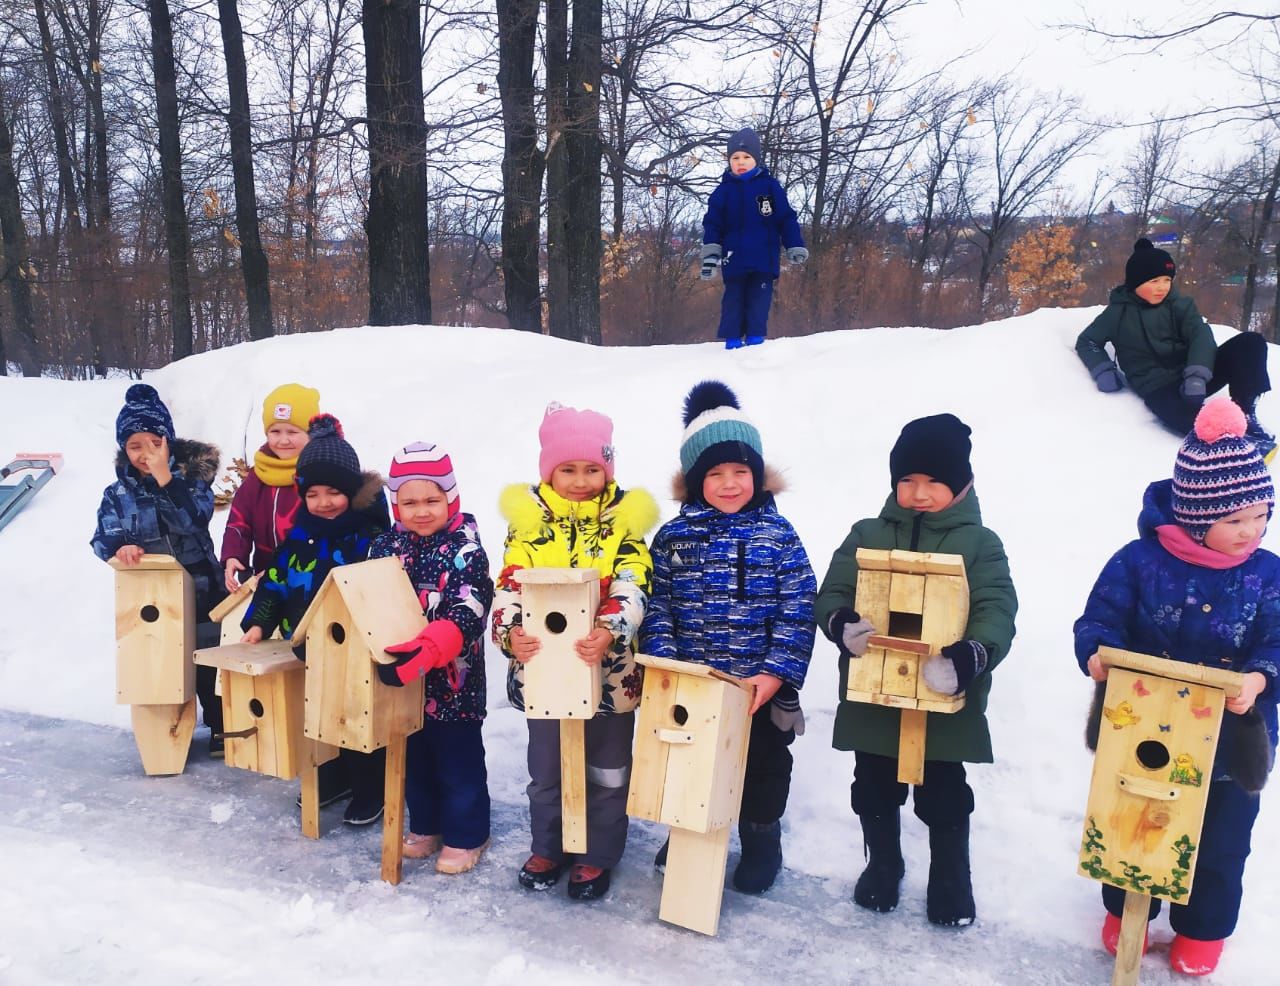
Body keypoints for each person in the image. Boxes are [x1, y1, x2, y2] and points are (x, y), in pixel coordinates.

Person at [1073, 398, 1278, 977]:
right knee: (1133, 821)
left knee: (1220, 839)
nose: (1252, 531)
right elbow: (1099, 619)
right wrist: (1097, 655)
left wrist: (1261, 678)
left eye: (1261, 515)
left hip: (1233, 739)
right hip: (1144, 725)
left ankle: (1203, 929)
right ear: (1195, 514)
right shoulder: (1139, 563)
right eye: (1235, 520)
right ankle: (1127, 910)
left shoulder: (1268, 575)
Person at [814, 413, 1018, 927]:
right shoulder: (867, 533)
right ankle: (883, 862)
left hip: (942, 694)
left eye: (933, 482)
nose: (919, 493)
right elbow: (834, 590)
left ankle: (951, 877)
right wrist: (841, 622)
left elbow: (997, 608)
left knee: (944, 794)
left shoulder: (981, 544)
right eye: (908, 480)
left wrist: (973, 653)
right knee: (873, 786)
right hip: (875, 690)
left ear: (961, 485)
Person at [641, 380, 816, 893]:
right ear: (696, 481)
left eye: (741, 471)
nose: (730, 483)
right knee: (689, 762)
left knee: (763, 767)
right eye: (715, 474)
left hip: (756, 686)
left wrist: (777, 672)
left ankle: (761, 840)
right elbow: (659, 605)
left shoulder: (777, 535)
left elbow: (799, 606)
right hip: (694, 684)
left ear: (757, 476)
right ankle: (688, 833)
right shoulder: (674, 537)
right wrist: (669, 664)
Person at [492, 402, 657, 901]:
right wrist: (509, 633)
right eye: (568, 469)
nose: (581, 480)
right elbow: (508, 585)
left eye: (592, 469)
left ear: (608, 469)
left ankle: (598, 852)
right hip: (543, 674)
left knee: (606, 771)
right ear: (549, 470)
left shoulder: (624, 522)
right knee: (547, 769)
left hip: (608, 678)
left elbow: (634, 581)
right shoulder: (528, 524)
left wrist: (611, 627)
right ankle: (551, 843)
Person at [240, 413, 390, 824]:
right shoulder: (298, 538)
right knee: (321, 716)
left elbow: (383, 589)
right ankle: (335, 774)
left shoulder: (369, 539)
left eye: (334, 493)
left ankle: (370, 785)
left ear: (353, 493)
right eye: (313, 494)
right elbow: (275, 580)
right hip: (308, 645)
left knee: (357, 718)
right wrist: (259, 622)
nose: (323, 503)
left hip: (356, 650)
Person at [372, 442, 494, 875]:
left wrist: (435, 644)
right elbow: (368, 598)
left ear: (451, 499)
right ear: (395, 504)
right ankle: (426, 825)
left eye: (432, 500)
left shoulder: (465, 549)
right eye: (409, 502)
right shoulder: (384, 546)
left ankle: (467, 833)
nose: (421, 511)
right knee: (415, 762)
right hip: (400, 683)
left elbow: (471, 606)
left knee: (457, 765)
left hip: (453, 686)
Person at [91, 383, 227, 756]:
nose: (145, 454)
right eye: (135, 446)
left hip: (202, 587)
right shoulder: (117, 493)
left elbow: (194, 520)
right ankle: (169, 730)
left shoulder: (193, 481)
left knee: (207, 658)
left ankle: (219, 724)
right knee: (162, 658)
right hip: (153, 594)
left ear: (168, 442)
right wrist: (121, 547)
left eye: (153, 443)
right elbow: (102, 537)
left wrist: (167, 479)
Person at [1076, 238, 1274, 458]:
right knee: (1188, 419)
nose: (1162, 287)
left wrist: (1197, 374)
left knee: (1250, 342)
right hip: (1158, 388)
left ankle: (1244, 412)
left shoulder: (1181, 305)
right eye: (1153, 281)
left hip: (1193, 378)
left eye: (1166, 280)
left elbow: (1200, 335)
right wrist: (1103, 369)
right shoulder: (1116, 314)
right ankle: (1231, 444)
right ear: (1135, 283)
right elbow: (1088, 341)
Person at [700, 126, 807, 349]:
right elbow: (712, 225)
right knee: (733, 299)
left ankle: (756, 339)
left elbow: (785, 218)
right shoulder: (722, 192)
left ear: (756, 159)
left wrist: (794, 245)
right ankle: (732, 340)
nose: (741, 162)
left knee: (759, 300)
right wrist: (710, 256)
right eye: (735, 157)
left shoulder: (770, 187)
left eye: (746, 157)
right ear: (729, 161)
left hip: (763, 258)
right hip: (734, 258)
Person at [220, 382, 320, 592]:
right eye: (275, 431)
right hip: (263, 577)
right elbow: (240, 519)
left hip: (309, 576)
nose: (283, 440)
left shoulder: (319, 471)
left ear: (311, 433)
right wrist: (233, 555)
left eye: (292, 432)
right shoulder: (260, 474)